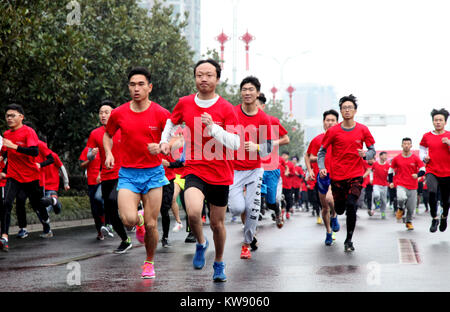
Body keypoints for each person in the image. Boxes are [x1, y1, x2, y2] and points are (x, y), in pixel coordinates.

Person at [160, 59, 240, 282]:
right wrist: (164, 142)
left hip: (221, 172)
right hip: (194, 168)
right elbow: (171, 123)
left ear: (217, 79)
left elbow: (235, 142)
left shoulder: (226, 108)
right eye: (199, 75)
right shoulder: (184, 103)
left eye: (209, 75)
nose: (203, 79)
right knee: (193, 212)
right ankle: (201, 243)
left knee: (217, 224)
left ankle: (219, 262)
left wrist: (213, 127)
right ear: (195, 77)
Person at [104, 67, 171, 279]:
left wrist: (162, 146)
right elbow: (108, 135)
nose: (136, 88)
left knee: (153, 225)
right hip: (128, 174)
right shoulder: (119, 113)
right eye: (132, 84)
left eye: (141, 84)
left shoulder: (161, 113)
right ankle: (138, 222)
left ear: (150, 87)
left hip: (153, 174)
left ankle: (149, 262)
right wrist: (108, 153)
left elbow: (177, 138)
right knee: (128, 219)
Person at [318, 95, 376, 252]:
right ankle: (336, 214)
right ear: (341, 111)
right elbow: (321, 152)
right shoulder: (333, 131)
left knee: (352, 205)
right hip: (337, 177)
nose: (347, 110)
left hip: (356, 175)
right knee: (341, 208)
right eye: (344, 108)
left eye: (350, 107)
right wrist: (322, 166)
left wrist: (365, 154)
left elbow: (372, 151)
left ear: (355, 111)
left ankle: (349, 240)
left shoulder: (363, 129)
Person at [227, 76, 272, 260]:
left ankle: (246, 244)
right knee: (237, 208)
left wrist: (258, 147)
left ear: (258, 93)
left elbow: (268, 148)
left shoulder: (263, 118)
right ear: (241, 92)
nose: (247, 92)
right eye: (244, 89)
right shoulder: (231, 112)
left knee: (253, 210)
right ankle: (243, 211)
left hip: (255, 169)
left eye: (251, 89)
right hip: (234, 169)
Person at [0, 104, 53, 251]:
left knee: (38, 204)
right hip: (13, 176)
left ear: (21, 117)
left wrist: (14, 147)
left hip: (30, 176)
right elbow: (4, 152)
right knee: (6, 204)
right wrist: (2, 157)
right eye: (7, 116)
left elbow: (34, 152)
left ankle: (52, 201)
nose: (9, 118)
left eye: (13, 115)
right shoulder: (6, 134)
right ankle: (4, 236)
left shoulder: (29, 132)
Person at [87, 101, 131, 254]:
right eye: (101, 112)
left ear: (114, 114)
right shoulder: (95, 133)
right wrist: (91, 155)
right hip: (106, 176)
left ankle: (135, 214)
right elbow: (88, 155)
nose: (103, 115)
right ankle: (125, 240)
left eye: (107, 112)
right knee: (111, 212)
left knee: (113, 200)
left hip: (124, 174)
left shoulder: (124, 129)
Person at [305, 109, 340, 245]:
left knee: (331, 199)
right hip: (322, 176)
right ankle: (328, 231)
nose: (330, 123)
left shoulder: (341, 139)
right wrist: (310, 170)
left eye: (333, 120)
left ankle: (335, 215)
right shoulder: (317, 139)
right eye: (327, 120)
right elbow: (308, 156)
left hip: (337, 175)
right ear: (323, 122)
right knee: (324, 207)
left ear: (337, 122)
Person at [256, 93, 290, 228]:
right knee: (252, 200)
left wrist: (271, 144)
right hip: (253, 167)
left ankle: (276, 209)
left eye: (257, 105)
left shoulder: (272, 121)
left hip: (270, 168)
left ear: (263, 106)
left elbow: (286, 139)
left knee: (271, 201)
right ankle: (251, 234)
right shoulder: (245, 120)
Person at [419, 108, 450, 233]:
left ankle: (444, 217)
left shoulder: (449, 135)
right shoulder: (427, 136)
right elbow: (421, 149)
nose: (438, 122)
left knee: (446, 200)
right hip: (432, 170)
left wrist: (448, 143)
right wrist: (424, 158)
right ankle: (434, 217)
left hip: (447, 172)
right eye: (436, 120)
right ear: (433, 122)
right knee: (431, 192)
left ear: (445, 122)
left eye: (440, 120)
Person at [389, 138, 426, 230]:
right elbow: (391, 170)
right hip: (401, 184)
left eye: (408, 144)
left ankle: (408, 222)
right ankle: (400, 208)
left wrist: (417, 175)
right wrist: (391, 182)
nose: (406, 145)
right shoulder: (397, 158)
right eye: (404, 144)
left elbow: (423, 169)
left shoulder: (415, 158)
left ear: (411, 146)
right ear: (402, 145)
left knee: (411, 207)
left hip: (413, 186)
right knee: (401, 197)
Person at [80, 146, 106, 240]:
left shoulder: (104, 148)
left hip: (102, 181)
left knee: (98, 198)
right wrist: (90, 159)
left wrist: (100, 174)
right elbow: (82, 165)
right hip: (91, 183)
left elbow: (107, 164)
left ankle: (106, 221)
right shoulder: (87, 150)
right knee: (94, 209)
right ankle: (100, 232)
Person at [39, 140, 71, 215]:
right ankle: (55, 202)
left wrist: (66, 183)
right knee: (46, 203)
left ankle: (55, 205)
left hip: (52, 186)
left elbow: (61, 167)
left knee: (47, 204)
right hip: (41, 185)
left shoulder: (53, 155)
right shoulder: (36, 155)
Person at [370, 152, 390, 219]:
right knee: (376, 195)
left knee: (384, 200)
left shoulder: (387, 165)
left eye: (386, 156)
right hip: (376, 184)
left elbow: (390, 174)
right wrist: (371, 178)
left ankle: (383, 212)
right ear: (380, 156)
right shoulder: (375, 164)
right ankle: (377, 202)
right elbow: (371, 171)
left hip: (384, 185)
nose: (386, 157)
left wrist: (390, 181)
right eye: (384, 156)